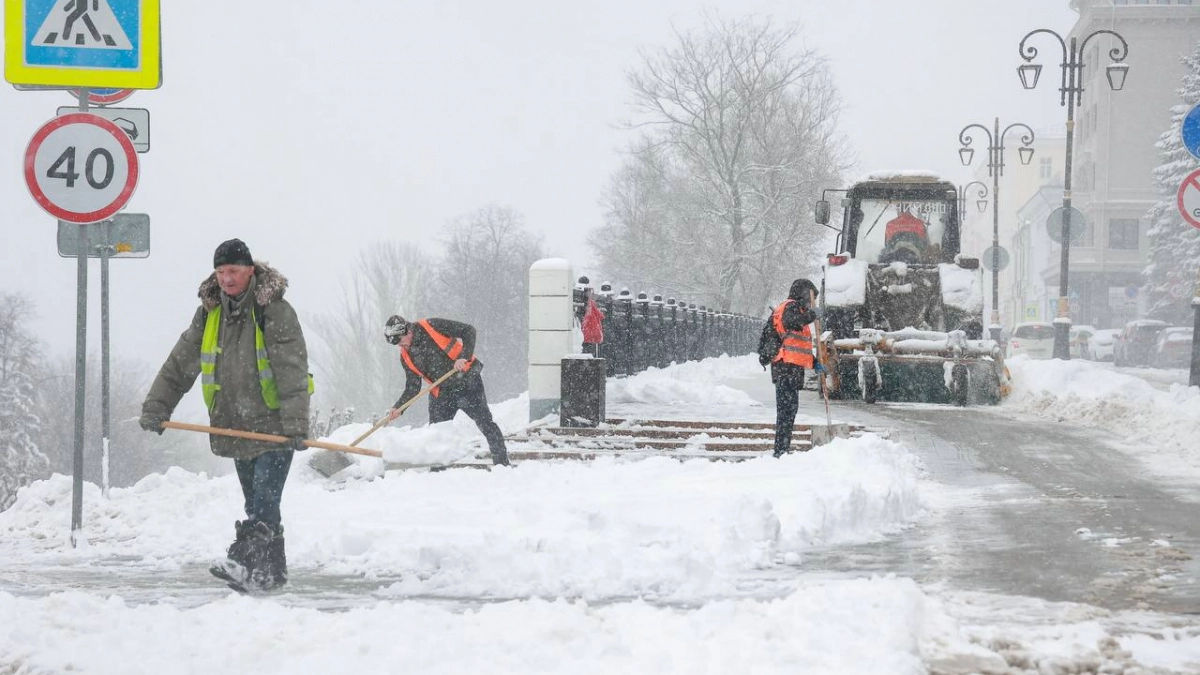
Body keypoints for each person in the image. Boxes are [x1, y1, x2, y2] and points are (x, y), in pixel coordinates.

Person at [139, 238, 311, 591]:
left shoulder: (273, 310)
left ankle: (242, 562)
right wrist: (158, 407)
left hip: (274, 427)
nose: (226, 279)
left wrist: (296, 424)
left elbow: (292, 368)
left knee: (263, 498)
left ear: (250, 270)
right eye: (220, 271)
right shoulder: (210, 312)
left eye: (233, 270)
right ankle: (272, 576)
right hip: (236, 425)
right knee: (258, 503)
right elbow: (181, 362)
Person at [383, 315, 510, 466]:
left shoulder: (431, 326)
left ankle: (502, 465)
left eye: (399, 341)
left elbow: (468, 330)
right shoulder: (405, 356)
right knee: (437, 434)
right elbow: (413, 386)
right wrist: (399, 407)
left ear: (407, 331)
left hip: (467, 383)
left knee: (485, 422)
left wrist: (464, 357)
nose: (400, 345)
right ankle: (438, 473)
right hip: (441, 392)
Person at [760, 278, 820, 458]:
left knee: (789, 411)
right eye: (810, 298)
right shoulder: (791, 306)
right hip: (785, 367)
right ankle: (780, 451)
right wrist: (812, 315)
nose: (810, 304)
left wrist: (815, 362)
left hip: (791, 368)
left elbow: (797, 343)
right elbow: (791, 322)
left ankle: (783, 449)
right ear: (803, 294)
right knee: (786, 411)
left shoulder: (795, 308)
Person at [581, 287, 605, 358]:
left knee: (589, 355)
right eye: (589, 292)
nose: (590, 294)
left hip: (589, 333)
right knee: (592, 355)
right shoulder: (590, 304)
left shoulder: (591, 304)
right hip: (591, 333)